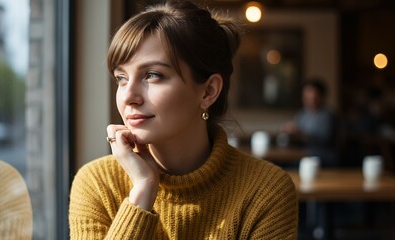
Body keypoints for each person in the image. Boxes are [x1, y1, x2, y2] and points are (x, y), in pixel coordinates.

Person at [69, 1, 298, 239]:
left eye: (152, 75)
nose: (128, 96)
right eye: (121, 78)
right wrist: (142, 192)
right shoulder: (97, 183)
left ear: (208, 91)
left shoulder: (267, 190)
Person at [281, 78, 337, 167]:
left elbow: (324, 140)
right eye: (306, 96)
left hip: (321, 155)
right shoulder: (302, 114)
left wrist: (300, 133)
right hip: (303, 154)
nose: (309, 99)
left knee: (290, 166)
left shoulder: (326, 115)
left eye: (313, 95)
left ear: (321, 96)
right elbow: (296, 133)